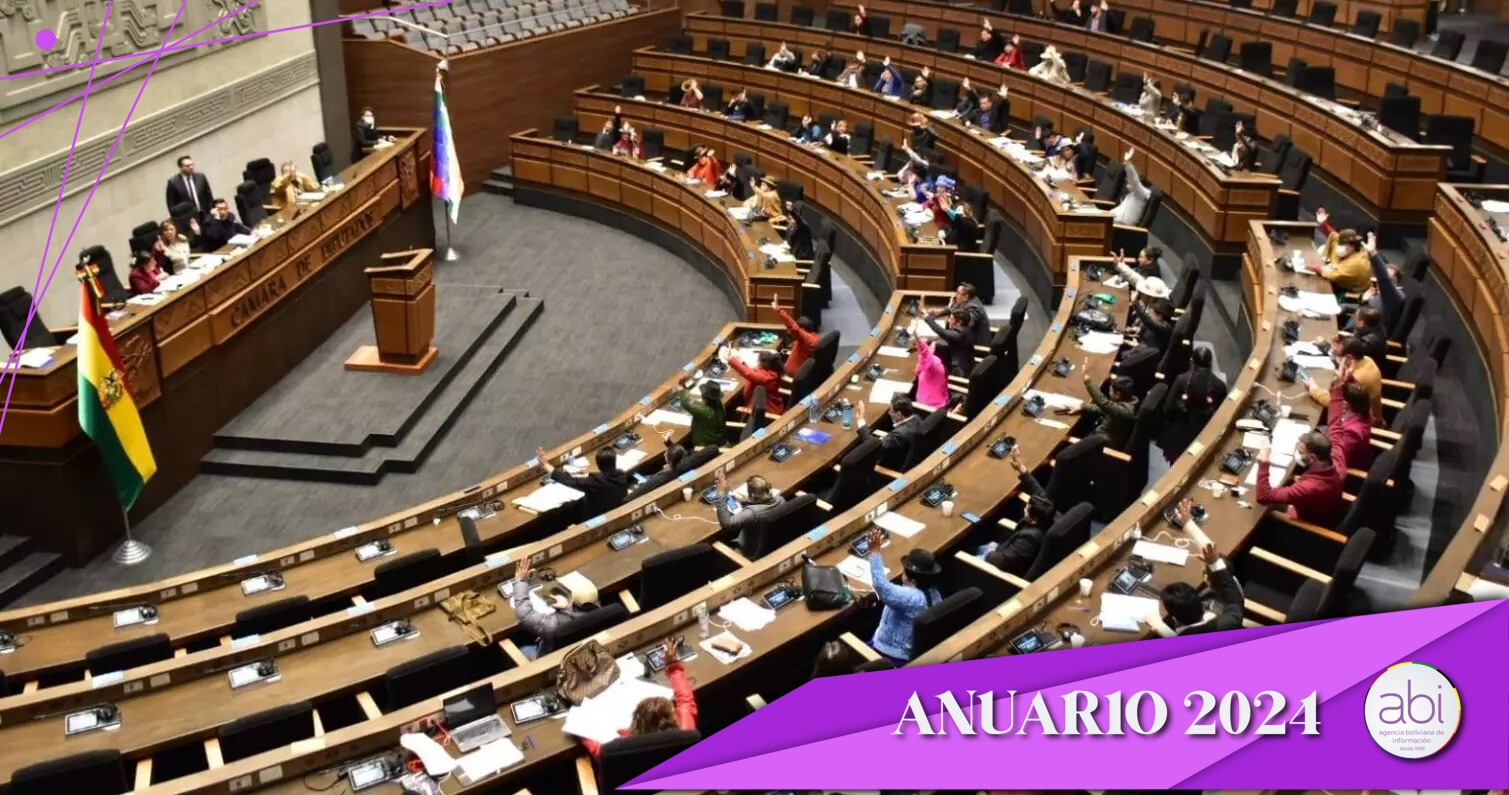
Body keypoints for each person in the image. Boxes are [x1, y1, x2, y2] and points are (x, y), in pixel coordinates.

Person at [578, 636, 697, 759]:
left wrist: (578, 725)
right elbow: (685, 700)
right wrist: (673, 666)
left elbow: (598, 750)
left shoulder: (621, 748)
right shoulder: (686, 731)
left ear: (636, 722)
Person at [1146, 503, 1244, 636]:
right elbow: (1232, 597)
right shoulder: (1230, 620)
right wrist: (1188, 524)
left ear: (1175, 619)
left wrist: (1158, 624)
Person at [866, 527, 943, 663]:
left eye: (904, 572)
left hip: (890, 653)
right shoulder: (935, 594)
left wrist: (875, 552)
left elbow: (881, 586)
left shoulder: (911, 598)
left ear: (913, 581)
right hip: (910, 649)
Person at [509, 556, 599, 658]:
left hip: (553, 660)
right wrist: (567, 608)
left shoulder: (552, 624)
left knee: (523, 648)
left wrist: (520, 582)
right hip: (585, 653)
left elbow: (525, 614)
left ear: (572, 600)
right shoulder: (600, 612)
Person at [983, 449, 1053, 576]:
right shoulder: (1049, 512)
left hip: (998, 567)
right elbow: (1039, 493)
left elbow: (1002, 561)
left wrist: (990, 552)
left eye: (1027, 510)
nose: (1024, 510)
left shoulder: (1029, 540)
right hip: (1005, 546)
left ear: (1034, 520)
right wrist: (1021, 468)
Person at [1256, 433, 1347, 527]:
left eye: (1301, 452)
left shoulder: (1309, 487)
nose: (1297, 454)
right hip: (1324, 512)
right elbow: (1336, 438)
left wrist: (1264, 461)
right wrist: (1304, 480)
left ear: (1312, 458)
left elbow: (1263, 496)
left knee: (1262, 510)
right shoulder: (1337, 462)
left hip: (1307, 529)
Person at [1158, 347, 1227, 464]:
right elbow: (1222, 415)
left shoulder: (1181, 380)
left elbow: (1168, 407)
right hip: (1206, 435)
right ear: (1211, 363)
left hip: (1181, 435)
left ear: (1192, 361)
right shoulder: (1220, 385)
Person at [1303, 335, 1383, 425]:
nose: (1340, 359)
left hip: (1359, 421)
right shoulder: (1367, 360)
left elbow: (1334, 403)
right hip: (1359, 411)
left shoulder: (1357, 378)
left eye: (1341, 356)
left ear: (1349, 357)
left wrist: (1314, 389)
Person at [536, 446, 630, 519]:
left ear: (598, 464)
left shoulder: (595, 482)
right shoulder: (621, 475)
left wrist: (545, 465)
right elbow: (603, 479)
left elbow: (570, 481)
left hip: (594, 518)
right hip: (614, 512)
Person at [1065, 367, 1138, 450]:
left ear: (1118, 394)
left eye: (1110, 391)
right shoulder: (1129, 400)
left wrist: (1087, 381)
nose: (1109, 393)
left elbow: (1103, 402)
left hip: (1102, 444)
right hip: (1102, 431)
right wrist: (1082, 407)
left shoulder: (1125, 411)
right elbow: (1103, 409)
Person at [714, 472, 786, 555]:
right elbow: (763, 503)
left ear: (752, 495)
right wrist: (745, 502)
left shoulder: (751, 513)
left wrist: (720, 493)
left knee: (721, 538)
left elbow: (727, 524)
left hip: (752, 550)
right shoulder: (780, 500)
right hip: (776, 542)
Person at [1309, 207, 1371, 295]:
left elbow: (1333, 275)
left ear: (1352, 246)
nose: (1338, 247)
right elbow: (1334, 236)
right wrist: (1323, 224)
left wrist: (1319, 270)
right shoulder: (1350, 248)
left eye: (1342, 244)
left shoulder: (1356, 262)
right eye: (1339, 243)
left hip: (1353, 291)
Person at [1327, 369, 1376, 469]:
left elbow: (1337, 459)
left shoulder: (1353, 432)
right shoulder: (1363, 409)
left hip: (1346, 467)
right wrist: (1346, 378)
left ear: (1346, 403)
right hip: (1332, 441)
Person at [855, 395, 924, 463]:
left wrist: (861, 421)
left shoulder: (899, 435)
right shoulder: (916, 418)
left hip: (886, 463)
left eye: (891, 411)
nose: (889, 413)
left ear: (899, 414)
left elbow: (873, 447)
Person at [1360, 231, 1406, 331]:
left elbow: (1384, 279)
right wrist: (1364, 301)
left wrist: (1373, 254)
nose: (1380, 283)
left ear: (1396, 281)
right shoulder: (1379, 293)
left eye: (1390, 280)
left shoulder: (1395, 297)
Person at [725, 348, 787, 416]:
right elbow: (752, 371)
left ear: (763, 364)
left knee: (731, 409)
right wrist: (741, 362)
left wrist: (732, 360)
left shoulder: (767, 378)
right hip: (765, 407)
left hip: (767, 414)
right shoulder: (772, 372)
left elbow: (748, 374)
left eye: (758, 361)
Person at [923, 306, 975, 376]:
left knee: (927, 367)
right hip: (962, 363)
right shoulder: (965, 328)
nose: (948, 320)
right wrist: (928, 341)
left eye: (951, 319)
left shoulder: (959, 334)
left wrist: (928, 319)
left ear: (959, 322)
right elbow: (946, 337)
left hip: (959, 371)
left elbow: (943, 332)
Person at [772, 295, 819, 374]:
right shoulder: (815, 337)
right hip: (802, 370)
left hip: (792, 373)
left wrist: (778, 310)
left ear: (803, 330)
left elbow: (793, 327)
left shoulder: (806, 338)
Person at [676, 379, 727, 448]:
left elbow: (685, 403)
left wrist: (681, 391)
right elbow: (704, 406)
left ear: (704, 398)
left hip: (704, 446)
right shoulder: (720, 405)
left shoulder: (702, 411)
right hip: (719, 442)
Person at [1111, 148, 1153, 226]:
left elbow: (1134, 180)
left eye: (1129, 182)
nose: (1127, 183)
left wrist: (1127, 163)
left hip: (1122, 225)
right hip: (1116, 220)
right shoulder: (1132, 194)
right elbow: (1120, 210)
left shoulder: (1142, 194)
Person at [912, 335, 950, 408]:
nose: (929, 348)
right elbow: (917, 371)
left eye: (932, 348)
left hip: (928, 406)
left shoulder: (933, 364)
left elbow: (924, 352)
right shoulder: (941, 362)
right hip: (939, 401)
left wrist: (917, 337)